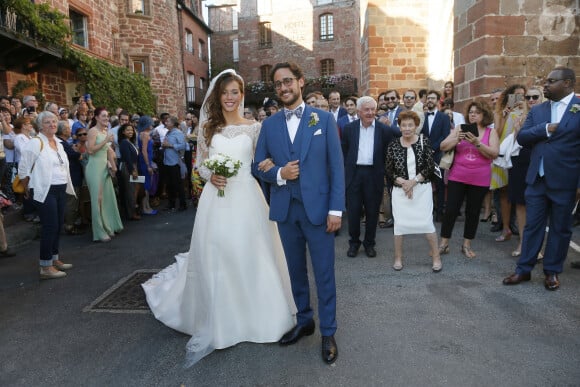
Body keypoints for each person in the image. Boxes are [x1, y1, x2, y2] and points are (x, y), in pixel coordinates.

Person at [142, 69, 296, 367]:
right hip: (217, 198)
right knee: (218, 251)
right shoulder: (208, 128)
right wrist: (210, 175)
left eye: (235, 92)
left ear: (241, 94)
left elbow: (263, 161)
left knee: (250, 253)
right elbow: (199, 164)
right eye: (225, 92)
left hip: (247, 198)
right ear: (217, 96)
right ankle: (222, 320)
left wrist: (272, 165)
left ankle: (258, 315)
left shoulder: (255, 128)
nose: (230, 97)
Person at [252, 62, 345, 364]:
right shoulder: (269, 124)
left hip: (319, 211)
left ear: (301, 82)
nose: (283, 88)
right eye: (278, 84)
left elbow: (336, 168)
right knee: (295, 272)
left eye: (288, 81)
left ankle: (328, 331)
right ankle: (305, 320)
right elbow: (258, 166)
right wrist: (280, 173)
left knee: (324, 274)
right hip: (286, 211)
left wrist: (335, 209)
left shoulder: (324, 119)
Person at [503, 67, 580, 291]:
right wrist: (545, 129)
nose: (545, 85)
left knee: (560, 228)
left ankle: (552, 271)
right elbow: (524, 137)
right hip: (537, 179)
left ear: (567, 83)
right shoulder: (538, 111)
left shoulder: (578, 109)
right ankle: (523, 270)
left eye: (551, 81)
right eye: (546, 81)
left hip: (565, 182)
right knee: (532, 227)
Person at [438, 100, 499, 258]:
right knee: (451, 209)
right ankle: (444, 243)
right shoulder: (460, 128)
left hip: (480, 178)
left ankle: (466, 244)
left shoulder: (490, 132)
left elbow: (493, 153)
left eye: (477, 112)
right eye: (471, 112)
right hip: (458, 175)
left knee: (472, 212)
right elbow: (443, 146)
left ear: (484, 115)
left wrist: (477, 143)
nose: (473, 115)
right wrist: (457, 139)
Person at [18, 111, 75, 279]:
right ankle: (45, 266)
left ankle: (54, 258)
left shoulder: (58, 142)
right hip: (43, 189)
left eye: (54, 121)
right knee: (50, 226)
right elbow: (23, 168)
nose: (52, 124)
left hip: (60, 187)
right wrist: (26, 188)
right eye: (48, 122)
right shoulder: (35, 143)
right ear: (40, 125)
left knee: (57, 225)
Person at [341, 96, 397, 258]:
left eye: (373, 109)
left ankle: (369, 244)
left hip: (374, 175)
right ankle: (354, 243)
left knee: (372, 212)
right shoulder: (349, 129)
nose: (370, 112)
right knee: (353, 211)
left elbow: (389, 153)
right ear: (359, 112)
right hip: (354, 175)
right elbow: (344, 151)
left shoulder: (384, 130)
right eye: (366, 109)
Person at [386, 111, 440, 271]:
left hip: (421, 190)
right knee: (400, 225)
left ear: (416, 126)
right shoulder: (393, 144)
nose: (407, 128)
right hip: (400, 191)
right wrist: (404, 183)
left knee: (427, 223)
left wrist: (413, 182)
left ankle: (436, 258)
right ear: (399, 126)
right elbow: (389, 170)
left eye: (410, 125)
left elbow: (430, 166)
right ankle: (398, 258)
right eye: (404, 125)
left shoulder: (424, 140)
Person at [507, 86, 543, 257]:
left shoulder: (549, 116)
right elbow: (516, 143)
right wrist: (517, 130)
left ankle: (537, 247)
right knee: (520, 203)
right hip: (521, 161)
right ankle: (523, 242)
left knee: (539, 206)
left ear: (542, 98)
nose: (531, 100)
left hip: (541, 162)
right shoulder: (521, 117)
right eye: (528, 97)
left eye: (535, 97)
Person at [491, 85, 526, 242]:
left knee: (520, 193)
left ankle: (521, 229)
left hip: (520, 155)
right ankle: (506, 228)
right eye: (516, 95)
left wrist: (524, 110)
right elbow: (496, 134)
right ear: (509, 96)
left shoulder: (529, 111)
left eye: (522, 96)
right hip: (503, 155)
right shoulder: (499, 112)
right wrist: (504, 116)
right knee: (503, 192)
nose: (519, 98)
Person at [85, 107, 123, 242]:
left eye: (107, 116)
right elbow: (90, 150)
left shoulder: (105, 131)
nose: (106, 118)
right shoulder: (92, 131)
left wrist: (113, 167)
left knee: (107, 198)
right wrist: (105, 140)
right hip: (94, 168)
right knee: (98, 199)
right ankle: (99, 231)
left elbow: (108, 151)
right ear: (96, 117)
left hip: (104, 168)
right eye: (103, 116)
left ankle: (109, 226)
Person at [161, 116, 187, 212]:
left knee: (178, 184)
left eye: (167, 121)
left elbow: (183, 145)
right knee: (169, 184)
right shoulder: (168, 132)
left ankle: (182, 205)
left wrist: (170, 145)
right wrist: (163, 145)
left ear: (173, 123)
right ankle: (171, 204)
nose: (165, 122)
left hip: (175, 162)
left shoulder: (178, 133)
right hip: (167, 161)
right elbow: (166, 144)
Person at [117, 123, 141, 221]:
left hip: (132, 166)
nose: (130, 132)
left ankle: (132, 211)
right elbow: (127, 158)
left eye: (131, 130)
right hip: (128, 167)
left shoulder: (129, 142)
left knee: (134, 189)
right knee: (130, 190)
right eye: (128, 130)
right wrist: (132, 170)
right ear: (123, 132)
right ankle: (131, 213)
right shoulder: (124, 142)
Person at [136, 116, 157, 215]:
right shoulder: (144, 134)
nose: (152, 125)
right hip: (145, 162)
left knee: (146, 185)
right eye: (150, 123)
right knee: (146, 185)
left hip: (144, 160)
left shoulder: (142, 133)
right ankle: (145, 208)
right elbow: (144, 150)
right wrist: (148, 165)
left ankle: (147, 206)